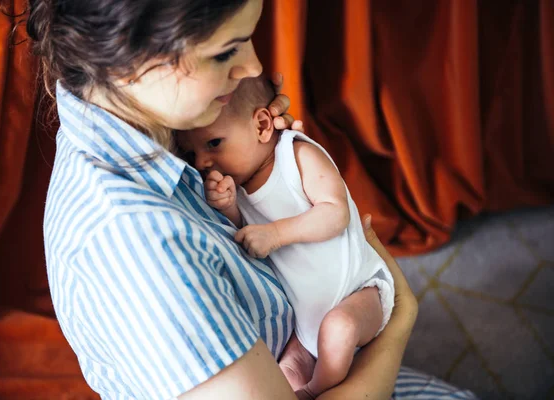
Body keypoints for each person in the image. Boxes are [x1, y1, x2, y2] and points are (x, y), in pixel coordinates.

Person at [28, 0, 479, 398]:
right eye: (225, 50)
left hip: (304, 338)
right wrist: (398, 327)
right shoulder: (136, 243)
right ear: (129, 60)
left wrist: (258, 156)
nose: (253, 66)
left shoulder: (138, 115)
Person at [176, 75, 395, 399]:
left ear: (263, 125)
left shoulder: (297, 155)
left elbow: (335, 215)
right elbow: (249, 235)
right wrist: (230, 208)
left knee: (340, 330)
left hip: (359, 289)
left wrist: (275, 234)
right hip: (307, 321)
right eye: (192, 154)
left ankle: (316, 391)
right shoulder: (239, 186)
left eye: (213, 144)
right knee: (285, 373)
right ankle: (309, 385)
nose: (204, 162)